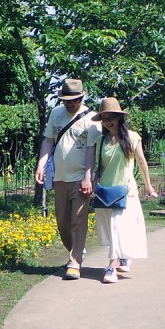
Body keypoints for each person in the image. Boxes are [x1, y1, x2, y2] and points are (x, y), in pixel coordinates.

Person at [82, 98, 158, 284]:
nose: (108, 122)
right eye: (104, 118)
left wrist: (148, 185)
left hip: (126, 191)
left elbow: (141, 161)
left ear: (119, 118)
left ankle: (111, 267)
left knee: (117, 227)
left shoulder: (132, 137)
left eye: (111, 117)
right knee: (112, 230)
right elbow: (100, 167)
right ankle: (123, 257)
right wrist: (92, 184)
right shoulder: (101, 141)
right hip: (106, 191)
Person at [35, 79, 98, 280]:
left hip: (80, 177)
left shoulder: (91, 119)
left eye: (75, 100)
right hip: (59, 178)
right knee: (62, 222)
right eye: (67, 100)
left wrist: (88, 177)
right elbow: (48, 141)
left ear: (82, 97)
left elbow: (91, 151)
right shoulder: (56, 114)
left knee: (78, 220)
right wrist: (41, 164)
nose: (71, 104)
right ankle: (77, 250)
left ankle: (74, 262)